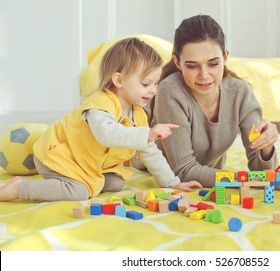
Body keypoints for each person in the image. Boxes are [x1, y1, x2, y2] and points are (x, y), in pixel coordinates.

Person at [0, 37, 202, 202]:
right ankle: (20, 189)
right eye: (146, 83)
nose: (153, 90)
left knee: (116, 183)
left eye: (155, 83)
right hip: (59, 157)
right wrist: (147, 133)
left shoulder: (138, 114)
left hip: (85, 162)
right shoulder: (99, 103)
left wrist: (172, 182)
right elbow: (107, 134)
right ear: (119, 80)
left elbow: (149, 150)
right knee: (79, 192)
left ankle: (88, 180)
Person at [148, 14, 279, 188]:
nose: (204, 75)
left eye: (213, 64)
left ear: (225, 57)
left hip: (208, 172)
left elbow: (262, 174)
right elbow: (183, 170)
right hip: (155, 170)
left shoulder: (240, 92)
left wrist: (266, 146)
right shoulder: (170, 91)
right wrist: (245, 181)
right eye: (192, 66)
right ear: (178, 63)